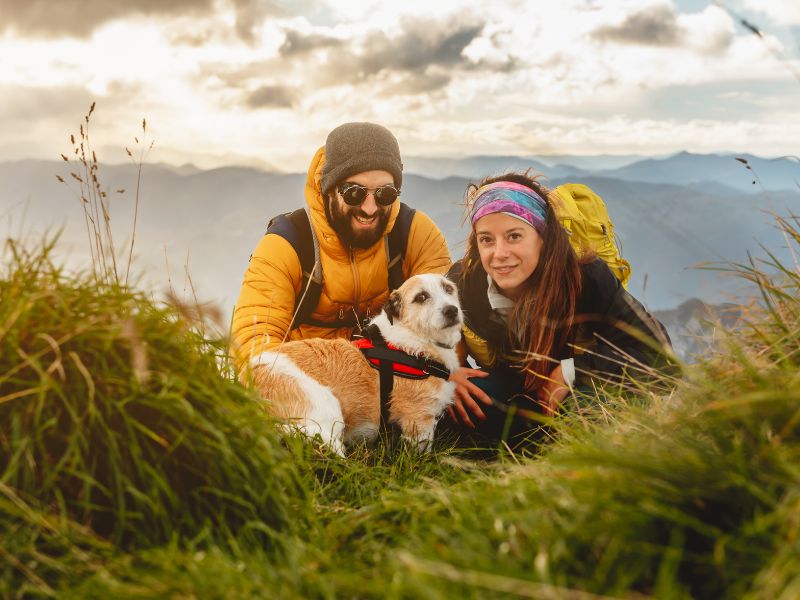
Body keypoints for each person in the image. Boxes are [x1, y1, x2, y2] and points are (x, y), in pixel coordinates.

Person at [445, 172, 674, 444]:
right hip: (511, 390)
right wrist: (447, 374)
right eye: (487, 239)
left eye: (514, 236)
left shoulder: (586, 277)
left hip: (576, 394)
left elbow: (660, 355)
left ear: (543, 237)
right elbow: (424, 339)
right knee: (455, 401)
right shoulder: (463, 281)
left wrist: (571, 372)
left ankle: (583, 461)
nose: (500, 253)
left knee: (589, 410)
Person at [231, 122, 451, 370]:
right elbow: (252, 346)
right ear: (329, 190)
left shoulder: (414, 233)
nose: (370, 208)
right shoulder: (287, 244)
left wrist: (444, 374)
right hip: (306, 384)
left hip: (399, 381)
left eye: (385, 194)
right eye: (354, 193)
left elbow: (449, 321)